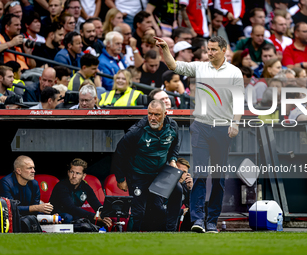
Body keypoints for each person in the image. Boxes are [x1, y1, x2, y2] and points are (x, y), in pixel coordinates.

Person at [154, 35, 244, 233]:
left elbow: (239, 102)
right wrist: (165, 49)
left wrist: (235, 124)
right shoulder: (200, 67)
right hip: (201, 127)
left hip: (222, 129)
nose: (209, 53)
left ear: (223, 49)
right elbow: (173, 66)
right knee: (200, 175)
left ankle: (212, 221)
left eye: (213, 50)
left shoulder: (235, 73)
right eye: (207, 50)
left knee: (218, 179)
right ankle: (197, 220)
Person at [113, 100, 182, 231]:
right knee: (138, 213)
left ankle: (171, 231)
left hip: (160, 174)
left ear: (165, 114)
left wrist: (173, 159)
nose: (153, 118)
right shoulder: (136, 131)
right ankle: (130, 240)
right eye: (150, 114)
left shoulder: (173, 126)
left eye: (157, 114)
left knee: (177, 192)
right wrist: (121, 179)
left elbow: (175, 144)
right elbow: (119, 153)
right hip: (139, 174)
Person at [49, 158, 112, 227]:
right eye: (72, 172)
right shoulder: (61, 186)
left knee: (101, 221)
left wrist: (104, 215)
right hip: (57, 217)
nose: (74, 176)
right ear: (68, 172)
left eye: (78, 173)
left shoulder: (85, 187)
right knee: (69, 217)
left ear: (83, 176)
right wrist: (94, 216)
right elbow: (71, 208)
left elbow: (96, 205)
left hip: (74, 216)